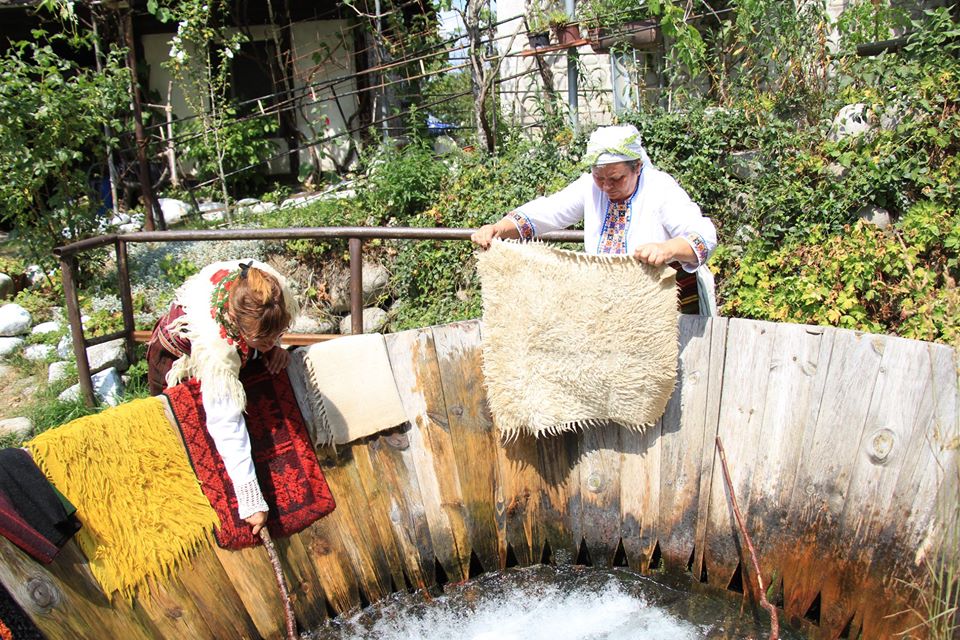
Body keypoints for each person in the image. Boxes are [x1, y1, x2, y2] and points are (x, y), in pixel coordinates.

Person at [471, 124, 718, 312]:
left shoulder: (660, 188)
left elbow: (703, 236)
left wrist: (667, 249)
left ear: (638, 167)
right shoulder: (589, 187)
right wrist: (499, 228)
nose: (606, 186)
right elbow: (549, 210)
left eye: (616, 178)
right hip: (610, 305)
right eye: (599, 177)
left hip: (663, 303)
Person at [147, 259, 300, 535]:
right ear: (236, 327)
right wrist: (250, 497)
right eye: (263, 339)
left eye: (277, 332)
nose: (273, 339)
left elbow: (269, 324)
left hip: (242, 333)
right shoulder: (215, 342)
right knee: (183, 432)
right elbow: (225, 422)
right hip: (177, 356)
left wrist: (274, 347)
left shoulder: (272, 291)